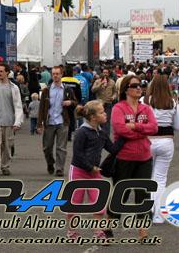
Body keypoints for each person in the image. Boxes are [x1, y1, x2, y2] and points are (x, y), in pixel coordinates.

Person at [107, 75, 158, 241]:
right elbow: (120, 129)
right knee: (121, 193)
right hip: (124, 157)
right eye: (134, 85)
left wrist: (135, 126)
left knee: (142, 194)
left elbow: (154, 128)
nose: (138, 88)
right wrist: (142, 132)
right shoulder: (118, 108)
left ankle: (143, 230)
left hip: (144, 157)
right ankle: (108, 225)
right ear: (125, 89)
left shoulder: (146, 108)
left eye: (140, 85)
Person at [66, 100, 123, 240]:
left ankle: (98, 232)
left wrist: (124, 135)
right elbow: (78, 154)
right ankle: (72, 232)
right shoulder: (82, 132)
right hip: (79, 171)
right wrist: (90, 167)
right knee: (75, 203)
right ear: (93, 117)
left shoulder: (102, 132)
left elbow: (113, 149)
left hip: (94, 173)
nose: (105, 114)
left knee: (99, 202)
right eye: (102, 112)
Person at [147, 75, 179, 224]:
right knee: (160, 179)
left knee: (149, 176)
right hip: (166, 141)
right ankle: (158, 215)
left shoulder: (145, 100)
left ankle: (149, 209)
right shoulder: (172, 102)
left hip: (148, 141)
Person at [37, 66, 77, 177]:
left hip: (62, 122)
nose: (55, 76)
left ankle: (59, 168)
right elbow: (41, 108)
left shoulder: (67, 90)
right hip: (49, 122)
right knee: (47, 147)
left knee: (61, 147)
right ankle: (50, 163)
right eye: (53, 74)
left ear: (61, 75)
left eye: (57, 74)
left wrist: (70, 102)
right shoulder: (46, 90)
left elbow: (75, 102)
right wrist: (39, 124)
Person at [0, 63, 23, 176]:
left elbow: (18, 106)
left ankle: (5, 166)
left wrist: (18, 122)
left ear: (7, 72)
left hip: (9, 121)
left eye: (1, 71)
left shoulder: (14, 88)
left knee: (7, 146)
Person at [91, 68, 117, 136]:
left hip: (108, 103)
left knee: (106, 120)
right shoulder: (97, 81)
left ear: (109, 74)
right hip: (99, 103)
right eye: (104, 72)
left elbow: (115, 92)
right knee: (98, 119)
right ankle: (98, 134)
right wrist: (100, 84)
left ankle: (106, 136)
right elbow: (93, 90)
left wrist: (113, 97)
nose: (105, 74)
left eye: (106, 73)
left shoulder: (112, 82)